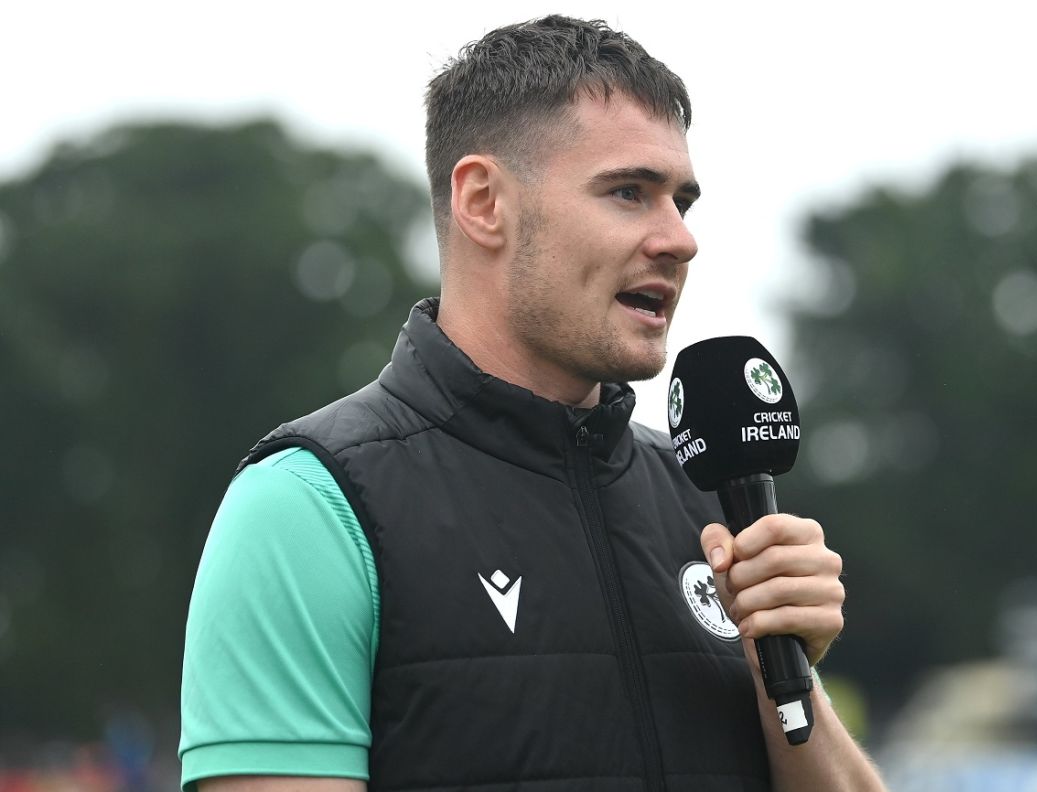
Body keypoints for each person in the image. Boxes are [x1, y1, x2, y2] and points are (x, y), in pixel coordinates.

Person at [179, 15, 886, 792]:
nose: (680, 239)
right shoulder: (308, 506)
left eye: (681, 201)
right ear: (484, 202)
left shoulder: (705, 502)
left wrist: (781, 670)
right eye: (629, 192)